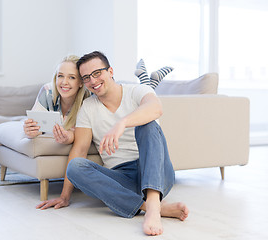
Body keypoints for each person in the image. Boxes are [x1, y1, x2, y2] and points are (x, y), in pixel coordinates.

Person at [36, 51, 189, 236]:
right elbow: (80, 150)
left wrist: (122, 123)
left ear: (110, 71)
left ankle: (154, 207)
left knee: (147, 125)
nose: (93, 81)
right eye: (86, 77)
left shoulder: (137, 91)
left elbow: (156, 108)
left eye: (97, 73)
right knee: (74, 166)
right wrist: (64, 196)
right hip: (122, 178)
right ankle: (146, 206)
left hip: (155, 171)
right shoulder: (88, 107)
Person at [23, 55, 90, 144]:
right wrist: (31, 131)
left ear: (81, 82)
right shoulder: (47, 91)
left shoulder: (88, 99)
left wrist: (69, 137)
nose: (64, 82)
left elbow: (84, 134)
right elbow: (38, 126)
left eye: (72, 77)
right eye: (60, 76)